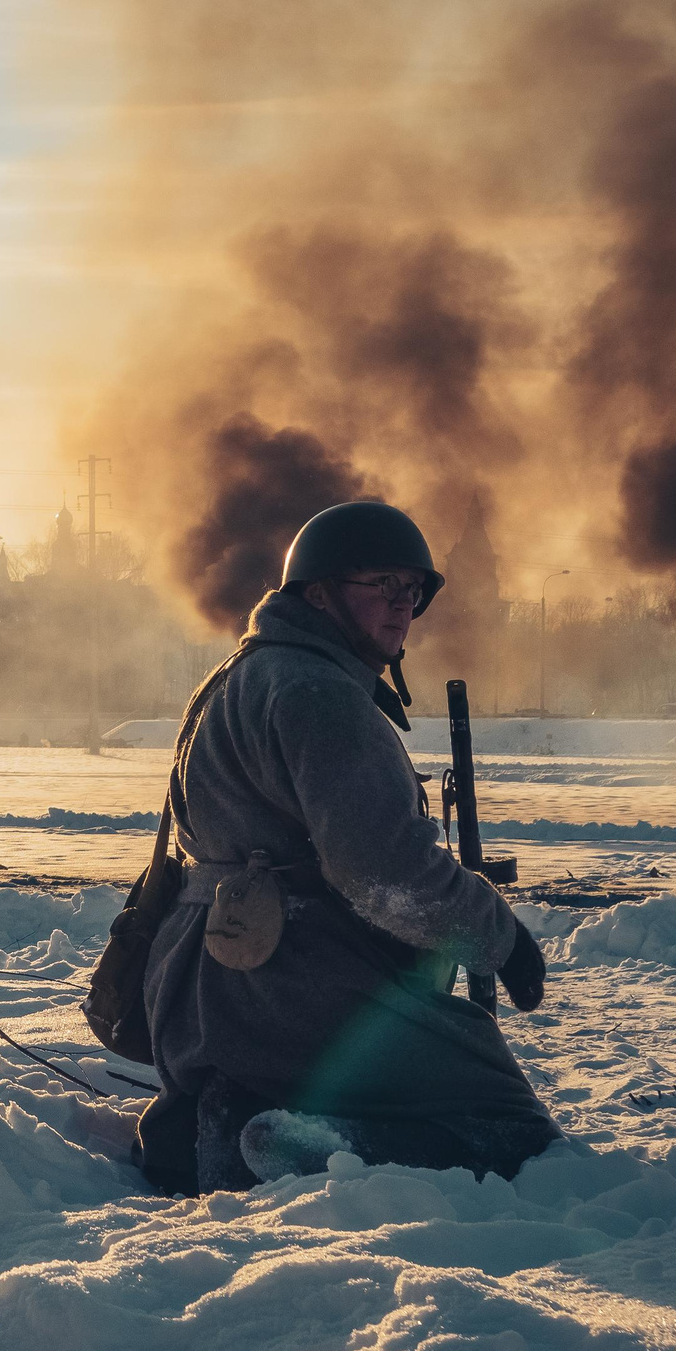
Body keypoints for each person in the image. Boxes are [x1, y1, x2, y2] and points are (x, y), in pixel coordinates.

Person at [136, 500, 558, 1195]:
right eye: (381, 586)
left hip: (201, 994)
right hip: (293, 981)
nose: (402, 606)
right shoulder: (319, 693)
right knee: (511, 1123)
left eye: (412, 591)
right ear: (319, 592)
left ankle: (223, 1119)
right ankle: (317, 1148)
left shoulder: (236, 678)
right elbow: (385, 872)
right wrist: (500, 936)